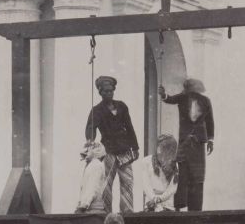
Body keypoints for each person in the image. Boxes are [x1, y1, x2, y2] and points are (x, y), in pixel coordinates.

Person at [158, 78, 214, 211]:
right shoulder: (182, 98)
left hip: (199, 143)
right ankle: (180, 206)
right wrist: (163, 95)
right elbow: (170, 99)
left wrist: (211, 140)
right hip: (185, 141)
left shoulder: (205, 101)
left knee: (198, 175)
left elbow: (210, 121)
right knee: (183, 172)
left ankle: (196, 208)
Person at [85, 76, 139, 213]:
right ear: (100, 92)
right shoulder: (96, 110)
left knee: (127, 182)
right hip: (108, 150)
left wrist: (135, 148)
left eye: (111, 91)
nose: (109, 94)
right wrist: (90, 140)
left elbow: (130, 127)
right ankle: (107, 213)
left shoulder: (121, 106)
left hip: (125, 150)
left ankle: (127, 213)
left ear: (114, 91)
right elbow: (90, 128)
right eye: (105, 91)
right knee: (106, 184)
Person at [141, 134, 179, 212]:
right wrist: (154, 200)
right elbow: (146, 185)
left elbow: (172, 188)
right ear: (158, 149)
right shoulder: (146, 161)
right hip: (150, 204)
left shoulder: (175, 165)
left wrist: (159, 199)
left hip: (168, 205)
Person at [75, 141, 107, 214]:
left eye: (87, 150)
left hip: (93, 209)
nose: (84, 153)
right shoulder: (91, 165)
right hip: (89, 208)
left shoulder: (96, 165)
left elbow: (93, 187)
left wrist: (84, 205)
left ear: (95, 151)